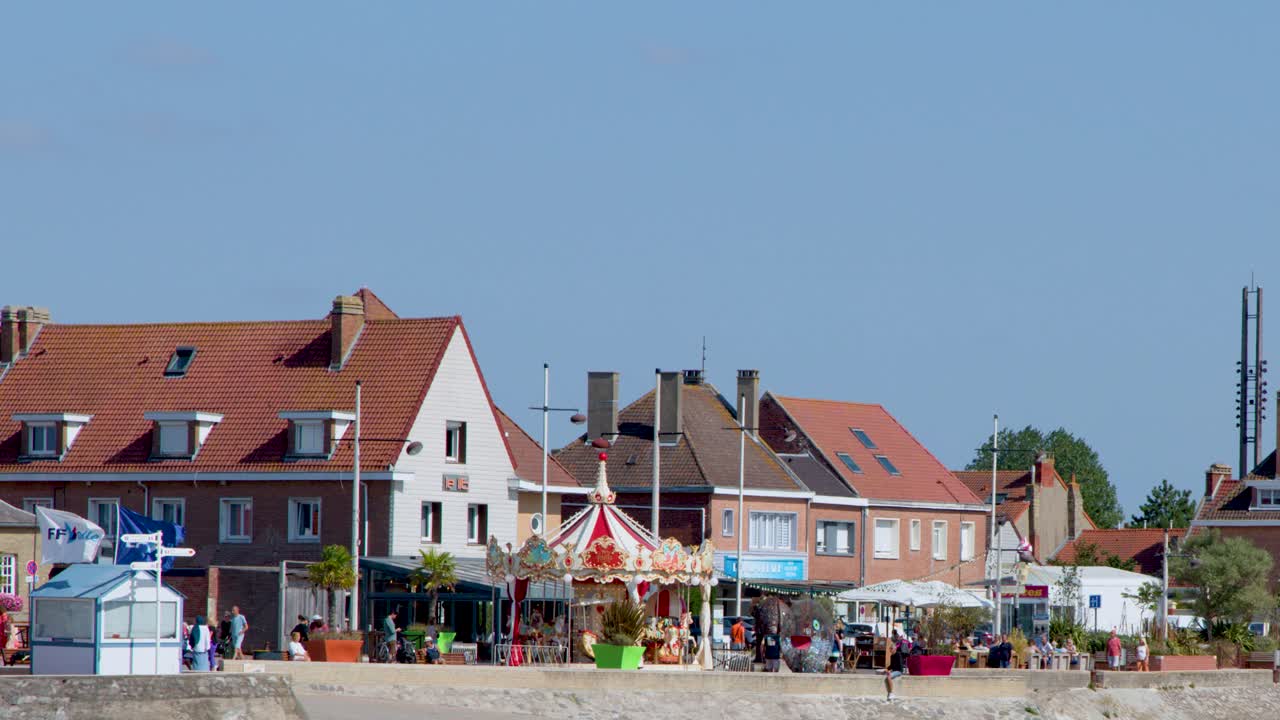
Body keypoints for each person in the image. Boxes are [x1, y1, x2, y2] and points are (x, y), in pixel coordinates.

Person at [884, 631, 906, 701]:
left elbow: (899, 666)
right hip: (894, 670)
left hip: (899, 671)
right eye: (890, 649)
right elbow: (891, 665)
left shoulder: (898, 655)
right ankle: (890, 693)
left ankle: (891, 693)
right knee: (887, 674)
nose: (890, 650)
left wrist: (890, 671)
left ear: (894, 649)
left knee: (889, 676)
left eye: (891, 649)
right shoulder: (892, 656)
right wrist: (887, 669)